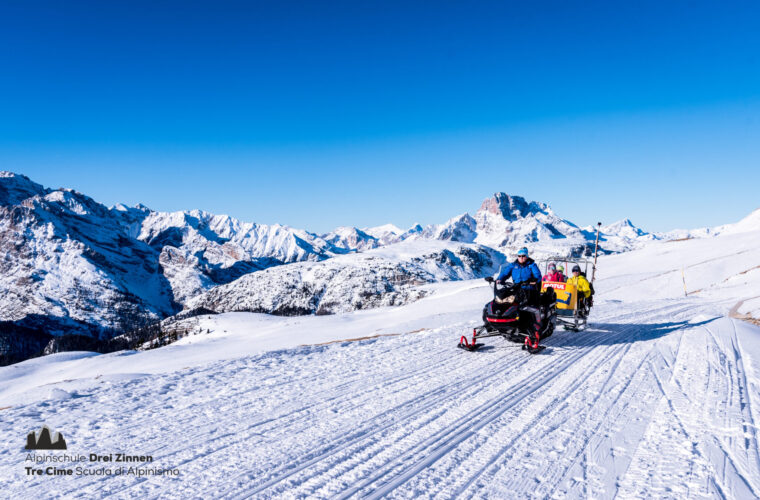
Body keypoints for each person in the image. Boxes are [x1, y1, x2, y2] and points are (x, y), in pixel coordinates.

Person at [496, 247, 543, 341]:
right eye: (519, 256)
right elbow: (505, 273)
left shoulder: (531, 265)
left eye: (523, 256)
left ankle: (534, 325)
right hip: (516, 288)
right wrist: (500, 279)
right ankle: (506, 322)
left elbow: (538, 275)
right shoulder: (513, 265)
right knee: (507, 302)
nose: (521, 258)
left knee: (527, 306)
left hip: (529, 289)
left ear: (526, 256)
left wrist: (533, 280)